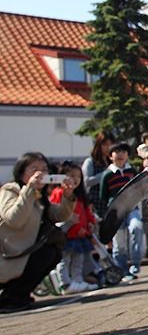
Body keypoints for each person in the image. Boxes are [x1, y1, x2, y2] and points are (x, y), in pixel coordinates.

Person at [0, 152, 76, 313]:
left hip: (23, 253)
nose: (41, 173)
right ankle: (11, 299)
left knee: (53, 252)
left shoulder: (38, 196)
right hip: (8, 255)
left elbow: (58, 215)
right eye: (34, 169)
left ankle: (17, 295)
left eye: (44, 169)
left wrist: (67, 196)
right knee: (45, 253)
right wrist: (29, 189)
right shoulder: (10, 190)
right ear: (22, 172)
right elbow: (14, 219)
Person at [49, 161, 98, 294]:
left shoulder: (80, 195)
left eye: (78, 176)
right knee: (65, 260)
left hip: (80, 235)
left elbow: (87, 213)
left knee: (78, 260)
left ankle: (77, 281)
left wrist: (90, 224)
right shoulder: (59, 193)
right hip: (67, 235)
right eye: (71, 175)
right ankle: (64, 284)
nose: (75, 179)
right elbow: (57, 214)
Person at [99, 143, 143, 280]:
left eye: (123, 152)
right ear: (110, 156)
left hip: (131, 208)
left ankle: (135, 263)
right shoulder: (107, 175)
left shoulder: (132, 171)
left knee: (136, 227)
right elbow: (102, 197)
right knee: (119, 243)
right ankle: (123, 271)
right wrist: (104, 218)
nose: (120, 154)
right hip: (115, 213)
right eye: (117, 152)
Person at [82, 132, 114, 219]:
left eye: (110, 145)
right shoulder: (90, 162)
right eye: (105, 144)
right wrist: (105, 174)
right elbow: (86, 181)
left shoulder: (113, 162)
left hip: (111, 205)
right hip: (95, 205)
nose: (108, 148)